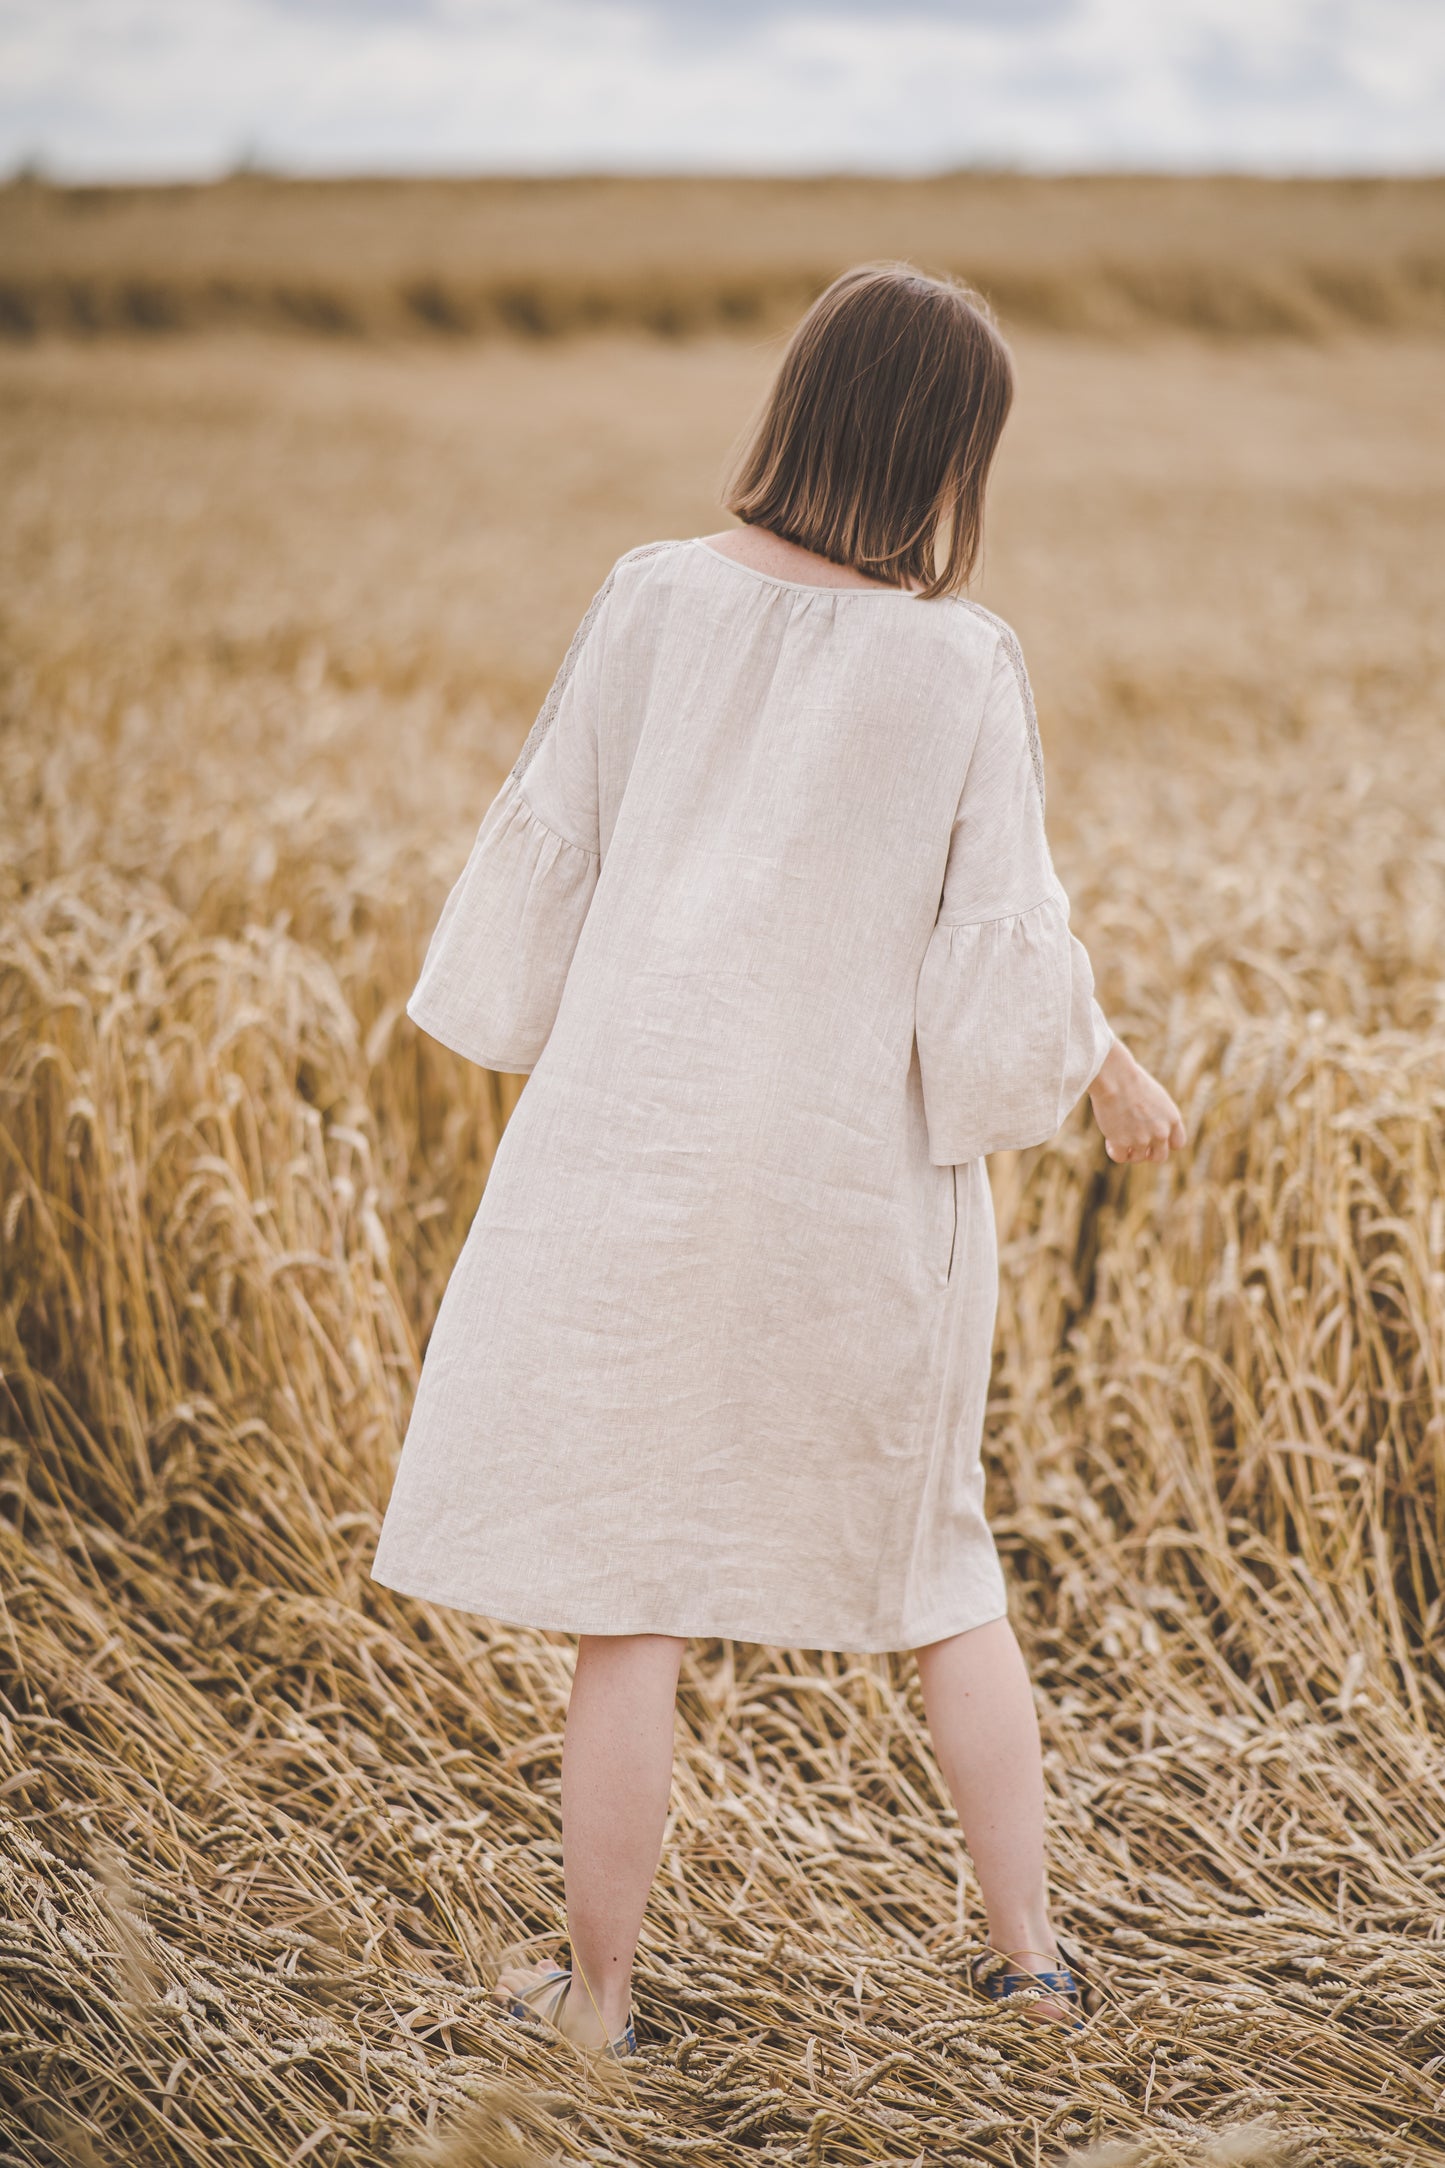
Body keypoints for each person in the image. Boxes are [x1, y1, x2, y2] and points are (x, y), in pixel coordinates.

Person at [371, 261, 1186, 2052]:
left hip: (630, 1161)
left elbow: (556, 848)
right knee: (937, 1570)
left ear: (800, 403)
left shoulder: (650, 598)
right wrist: (1104, 1068)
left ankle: (595, 2002)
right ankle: (1033, 1965)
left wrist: (509, 1029)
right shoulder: (962, 661)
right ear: (950, 458)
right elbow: (993, 946)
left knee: (629, 1591)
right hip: (853, 1189)